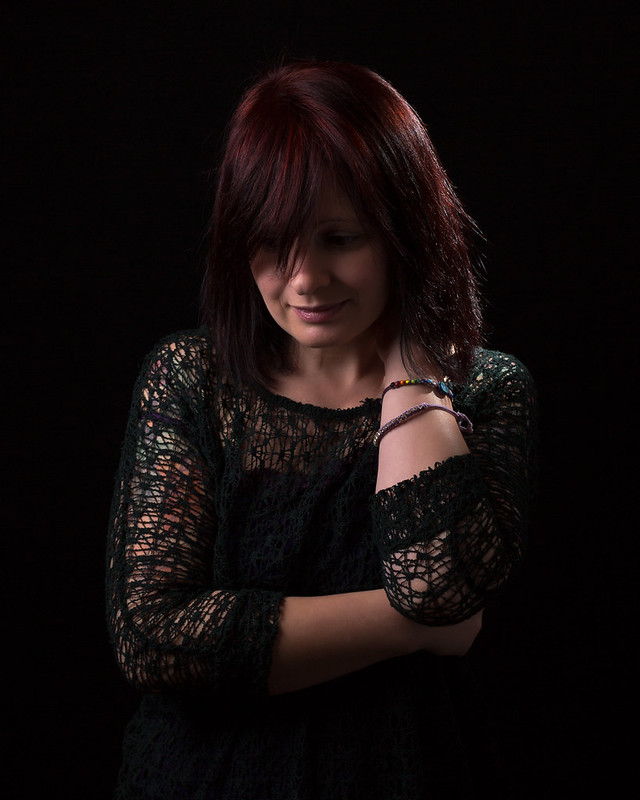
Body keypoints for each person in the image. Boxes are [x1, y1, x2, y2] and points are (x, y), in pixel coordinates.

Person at [106, 59, 537, 799]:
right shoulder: (191, 379)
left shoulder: (489, 389)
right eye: (274, 243)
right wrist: (412, 628)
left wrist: (411, 373)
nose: (305, 279)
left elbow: (436, 585)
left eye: (341, 239)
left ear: (405, 233)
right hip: (205, 780)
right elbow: (156, 638)